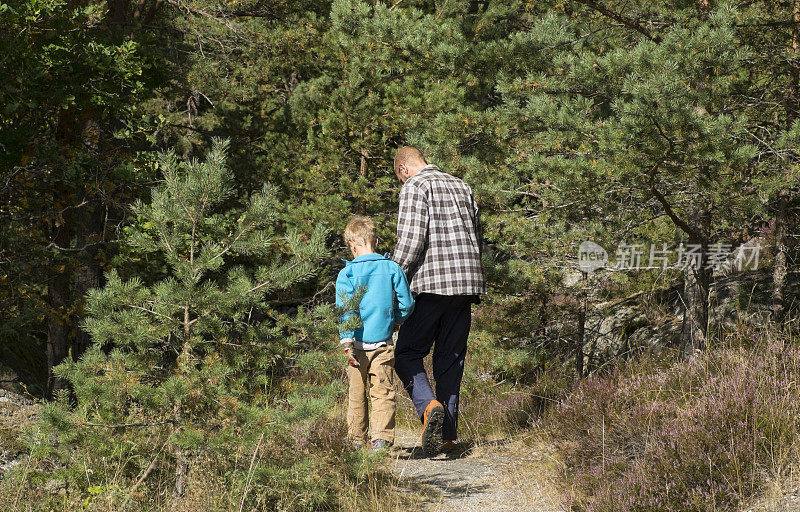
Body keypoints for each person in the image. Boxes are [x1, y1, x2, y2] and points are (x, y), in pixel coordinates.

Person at [392, 146, 486, 457]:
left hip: (431, 284)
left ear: (404, 169)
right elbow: (477, 235)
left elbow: (411, 239)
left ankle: (428, 405)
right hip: (466, 284)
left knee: (406, 352)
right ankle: (447, 437)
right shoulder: (462, 185)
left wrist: (393, 278)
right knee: (451, 358)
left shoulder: (415, 186)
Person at [336, 215, 415, 451]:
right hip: (383, 342)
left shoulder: (346, 274)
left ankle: (357, 441)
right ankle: (381, 439)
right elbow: (407, 303)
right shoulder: (391, 268)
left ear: (352, 245)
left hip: (355, 344)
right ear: (375, 240)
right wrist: (396, 321)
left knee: (356, 394)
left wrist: (347, 337)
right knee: (383, 391)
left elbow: (345, 307)